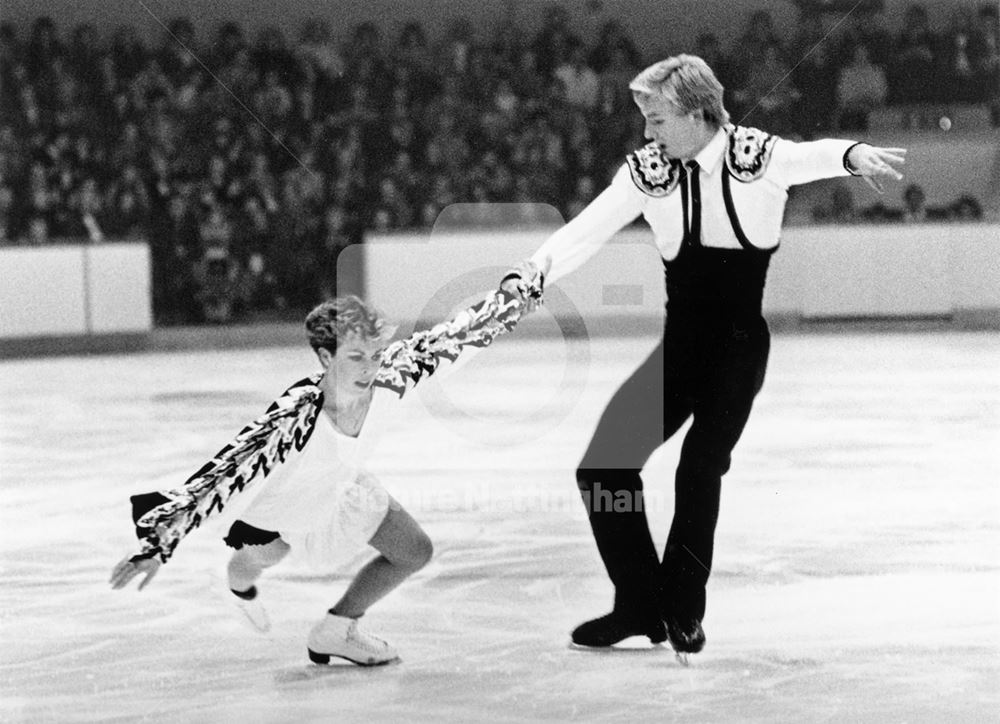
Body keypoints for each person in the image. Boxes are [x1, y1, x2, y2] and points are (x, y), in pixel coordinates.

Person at [501, 54, 905, 659]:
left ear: (696, 113)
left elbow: (809, 155)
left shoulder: (755, 158)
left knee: (698, 468)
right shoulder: (647, 172)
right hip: (681, 349)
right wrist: (533, 271)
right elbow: (589, 227)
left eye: (656, 118)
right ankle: (638, 605)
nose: (647, 132)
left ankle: (684, 609)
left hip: (738, 351)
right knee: (603, 470)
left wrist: (851, 154)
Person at [110, 267, 544, 666]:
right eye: (356, 357)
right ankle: (238, 585)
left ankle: (336, 630)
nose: (370, 368)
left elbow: (451, 339)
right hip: (286, 507)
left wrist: (511, 299)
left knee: (414, 550)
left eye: (374, 354)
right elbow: (225, 471)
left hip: (343, 487)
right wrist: (159, 542)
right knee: (263, 557)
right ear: (324, 358)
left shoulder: (390, 378)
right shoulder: (295, 415)